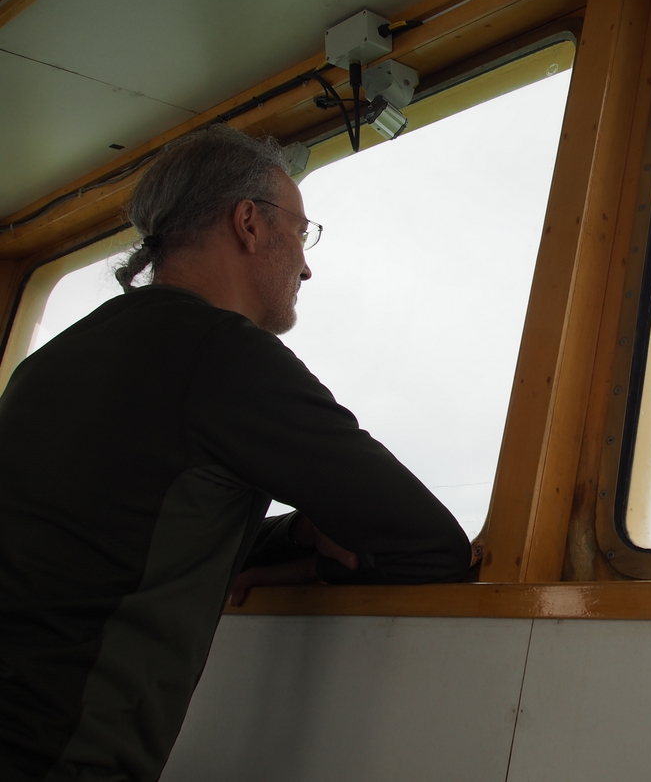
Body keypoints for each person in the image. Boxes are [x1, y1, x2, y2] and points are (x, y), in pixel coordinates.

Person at [0, 125, 471, 782]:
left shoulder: (49, 364)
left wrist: (293, 537)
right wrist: (310, 564)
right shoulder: (225, 357)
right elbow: (431, 546)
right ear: (248, 223)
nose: (306, 266)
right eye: (301, 234)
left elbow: (125, 532)